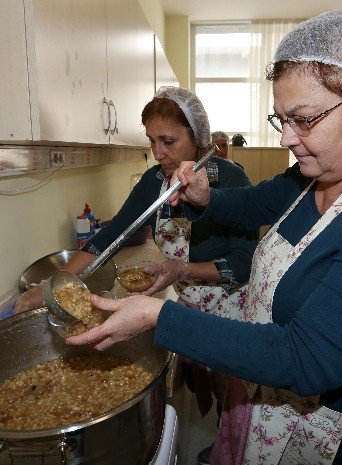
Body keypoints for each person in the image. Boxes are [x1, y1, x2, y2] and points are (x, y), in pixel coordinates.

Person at [66, 11, 342, 465]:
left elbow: (306, 357)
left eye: (303, 119)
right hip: (263, 405)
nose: (285, 138)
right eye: (280, 118)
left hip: (336, 444)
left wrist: (157, 317)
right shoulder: (313, 175)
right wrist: (205, 196)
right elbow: (253, 205)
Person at [14, 88, 258, 464]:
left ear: (198, 136)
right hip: (189, 300)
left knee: (236, 394)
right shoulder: (154, 181)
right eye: (152, 141)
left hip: (232, 304)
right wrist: (53, 286)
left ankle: (232, 451)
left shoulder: (229, 179)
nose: (159, 153)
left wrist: (182, 268)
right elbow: (109, 237)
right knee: (210, 384)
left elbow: (245, 262)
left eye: (169, 141)